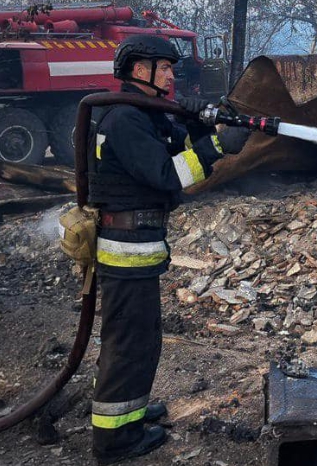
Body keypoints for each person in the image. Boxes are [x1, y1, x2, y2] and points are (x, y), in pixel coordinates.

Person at [88, 34, 248, 464]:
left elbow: (177, 142)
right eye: (165, 68)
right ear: (140, 70)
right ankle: (115, 441)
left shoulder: (145, 115)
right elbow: (167, 175)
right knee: (129, 345)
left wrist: (201, 123)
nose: (172, 75)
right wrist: (216, 147)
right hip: (125, 249)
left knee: (143, 341)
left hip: (139, 247)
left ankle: (131, 416)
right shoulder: (123, 119)